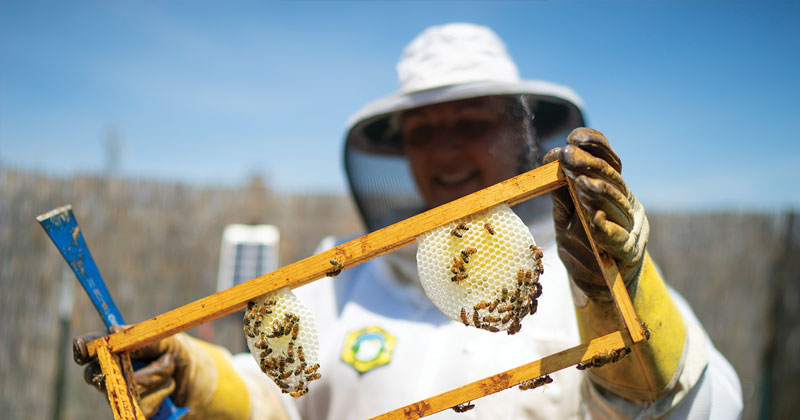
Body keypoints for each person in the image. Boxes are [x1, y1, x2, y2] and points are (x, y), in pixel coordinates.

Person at [73, 23, 743, 419]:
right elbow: (283, 400)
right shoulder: (343, 280)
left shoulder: (585, 283)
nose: (445, 150)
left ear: (518, 136)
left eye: (470, 123)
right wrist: (196, 374)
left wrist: (616, 292)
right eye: (422, 133)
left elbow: (702, 404)